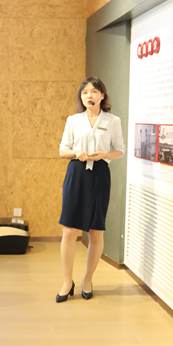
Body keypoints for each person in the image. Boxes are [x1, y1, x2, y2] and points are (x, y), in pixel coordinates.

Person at [56, 77, 125, 302]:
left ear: (102, 96)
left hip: (100, 175)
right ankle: (67, 281)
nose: (89, 96)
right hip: (76, 173)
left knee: (95, 231)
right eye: (85, 92)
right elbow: (63, 150)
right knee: (69, 231)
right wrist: (77, 152)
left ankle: (88, 279)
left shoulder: (113, 121)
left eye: (94, 91)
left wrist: (106, 154)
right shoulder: (73, 120)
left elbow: (120, 150)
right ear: (81, 97)